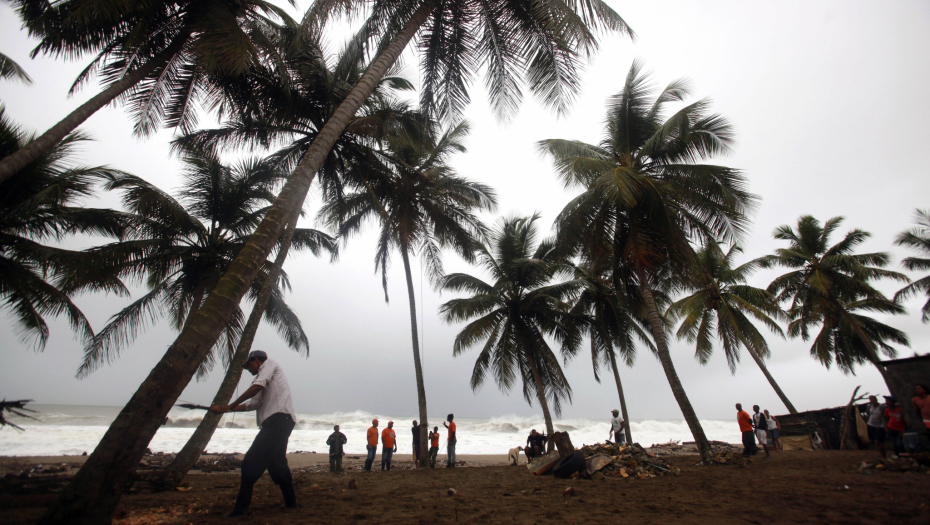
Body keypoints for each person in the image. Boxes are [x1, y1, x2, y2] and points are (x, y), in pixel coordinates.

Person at [210, 350, 297, 517]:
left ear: (256, 360)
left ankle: (240, 510)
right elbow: (253, 404)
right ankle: (291, 503)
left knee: (250, 462)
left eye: (249, 365)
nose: (248, 369)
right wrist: (224, 409)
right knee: (276, 463)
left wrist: (229, 406)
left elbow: (258, 386)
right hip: (282, 422)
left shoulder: (270, 364)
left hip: (278, 420)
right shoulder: (261, 379)